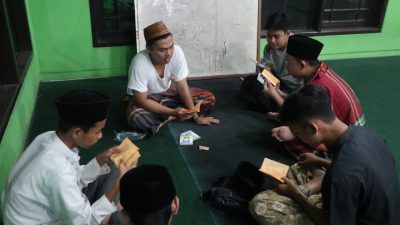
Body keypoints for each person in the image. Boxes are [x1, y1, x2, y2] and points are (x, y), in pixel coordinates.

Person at [250, 84, 400, 225]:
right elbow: (359, 175)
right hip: (379, 212)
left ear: (312, 128)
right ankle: (316, 182)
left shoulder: (342, 174)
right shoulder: (364, 134)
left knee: (259, 205)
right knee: (301, 166)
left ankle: (308, 190)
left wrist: (296, 195)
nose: (297, 137)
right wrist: (320, 161)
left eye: (297, 133)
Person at [2, 90, 135, 225]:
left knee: (112, 165)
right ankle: (111, 215)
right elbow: (83, 222)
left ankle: (109, 211)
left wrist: (99, 161)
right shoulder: (57, 169)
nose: (100, 136)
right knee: (120, 217)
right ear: (77, 132)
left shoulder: (46, 137)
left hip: (43, 208)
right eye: (98, 131)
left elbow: (72, 178)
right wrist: (117, 186)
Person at [266, 34, 365, 157]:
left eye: (288, 62)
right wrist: (280, 93)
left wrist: (274, 96)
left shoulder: (319, 86)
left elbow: (304, 117)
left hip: (346, 144)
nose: (286, 66)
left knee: (288, 137)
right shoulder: (319, 71)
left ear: (302, 65)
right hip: (351, 132)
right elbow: (303, 103)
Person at [126, 20, 220, 134]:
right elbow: (142, 100)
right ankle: (174, 114)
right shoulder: (138, 63)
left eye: (171, 47)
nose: (169, 53)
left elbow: (182, 87)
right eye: (162, 50)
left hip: (168, 93)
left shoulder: (177, 53)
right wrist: (173, 113)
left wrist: (195, 116)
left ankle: (168, 116)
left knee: (208, 98)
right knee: (136, 117)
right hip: (148, 98)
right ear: (149, 49)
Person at [240, 11, 303, 113]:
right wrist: (265, 72)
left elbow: (305, 81)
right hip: (277, 82)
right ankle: (271, 102)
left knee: (259, 92)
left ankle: (278, 105)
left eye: (276, 36)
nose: (272, 40)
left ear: (287, 33)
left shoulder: (298, 48)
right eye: (269, 36)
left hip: (292, 89)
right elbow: (269, 69)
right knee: (249, 81)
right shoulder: (269, 47)